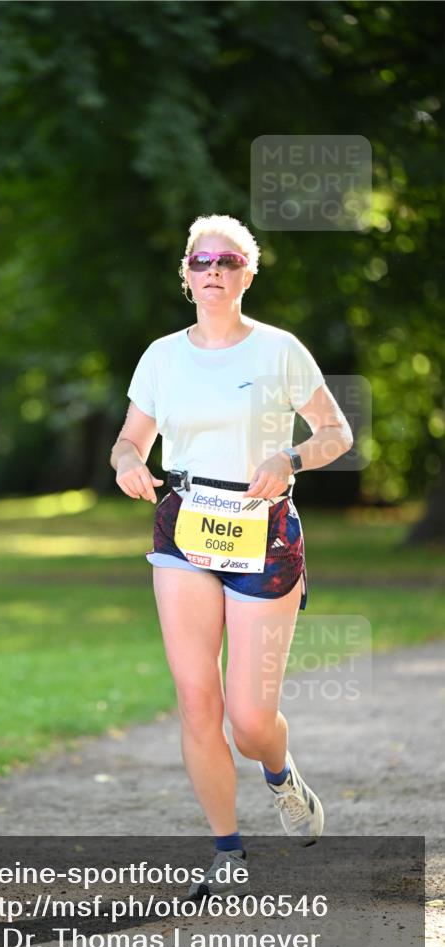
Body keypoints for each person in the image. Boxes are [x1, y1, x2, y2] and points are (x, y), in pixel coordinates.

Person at [109, 214, 354, 900]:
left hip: (263, 532)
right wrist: (128, 461)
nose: (211, 270)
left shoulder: (278, 351)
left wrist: (291, 455)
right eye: (199, 261)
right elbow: (128, 440)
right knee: (196, 701)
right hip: (184, 529)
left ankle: (278, 774)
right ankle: (225, 851)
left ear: (248, 273)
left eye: (225, 260)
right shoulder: (161, 356)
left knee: (248, 720)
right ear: (185, 276)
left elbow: (336, 433)